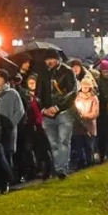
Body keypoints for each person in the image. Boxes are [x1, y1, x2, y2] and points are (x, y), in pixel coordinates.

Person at [35, 51, 78, 179]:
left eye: (52, 59)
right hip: (48, 114)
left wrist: (58, 107)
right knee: (54, 143)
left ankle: (61, 168)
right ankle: (59, 168)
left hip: (64, 112)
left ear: (58, 59)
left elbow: (72, 92)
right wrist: (43, 110)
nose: (49, 62)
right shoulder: (42, 74)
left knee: (63, 141)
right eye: (47, 59)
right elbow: (38, 95)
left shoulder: (67, 72)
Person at [0, 69, 24, 193]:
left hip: (8, 130)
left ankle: (6, 182)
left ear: (5, 79)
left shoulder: (12, 93)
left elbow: (20, 111)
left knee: (7, 155)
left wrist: (11, 124)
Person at [72, 72, 99, 168]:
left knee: (89, 145)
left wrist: (86, 116)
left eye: (87, 87)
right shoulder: (77, 98)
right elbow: (74, 110)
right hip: (78, 126)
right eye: (83, 87)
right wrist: (79, 116)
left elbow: (95, 112)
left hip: (90, 125)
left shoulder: (93, 98)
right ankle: (81, 163)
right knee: (79, 145)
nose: (85, 89)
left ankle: (90, 162)